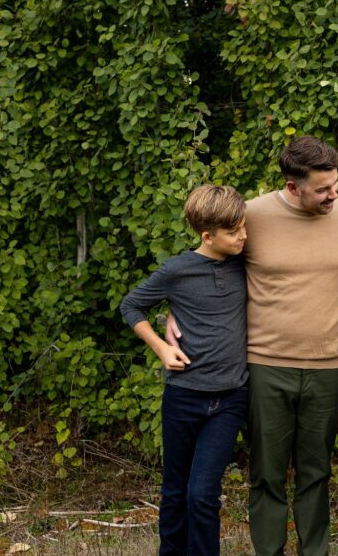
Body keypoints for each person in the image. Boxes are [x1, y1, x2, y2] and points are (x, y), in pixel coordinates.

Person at [168, 136, 338, 555]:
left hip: (328, 367)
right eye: (323, 189)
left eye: (336, 184)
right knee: (267, 475)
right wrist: (175, 313)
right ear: (293, 186)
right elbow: (206, 264)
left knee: (316, 473)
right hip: (264, 367)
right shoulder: (253, 217)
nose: (334, 195)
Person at [119, 184, 249, 556]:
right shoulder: (177, 270)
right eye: (233, 231)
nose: (243, 235)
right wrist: (161, 347)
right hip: (184, 396)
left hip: (231, 397)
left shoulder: (246, 262)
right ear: (207, 236)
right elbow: (131, 305)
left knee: (202, 493)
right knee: (175, 492)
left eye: (243, 226)